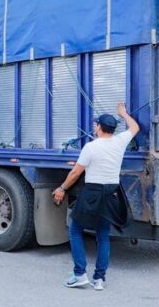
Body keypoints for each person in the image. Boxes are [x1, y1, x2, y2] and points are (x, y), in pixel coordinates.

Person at [52, 102, 140, 291]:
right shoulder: (120, 141)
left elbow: (75, 173)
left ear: (100, 127)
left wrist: (62, 188)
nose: (94, 127)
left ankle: (79, 274)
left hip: (92, 192)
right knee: (103, 235)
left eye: (96, 124)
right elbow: (135, 127)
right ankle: (99, 279)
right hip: (111, 193)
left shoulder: (91, 147)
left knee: (75, 229)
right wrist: (123, 113)